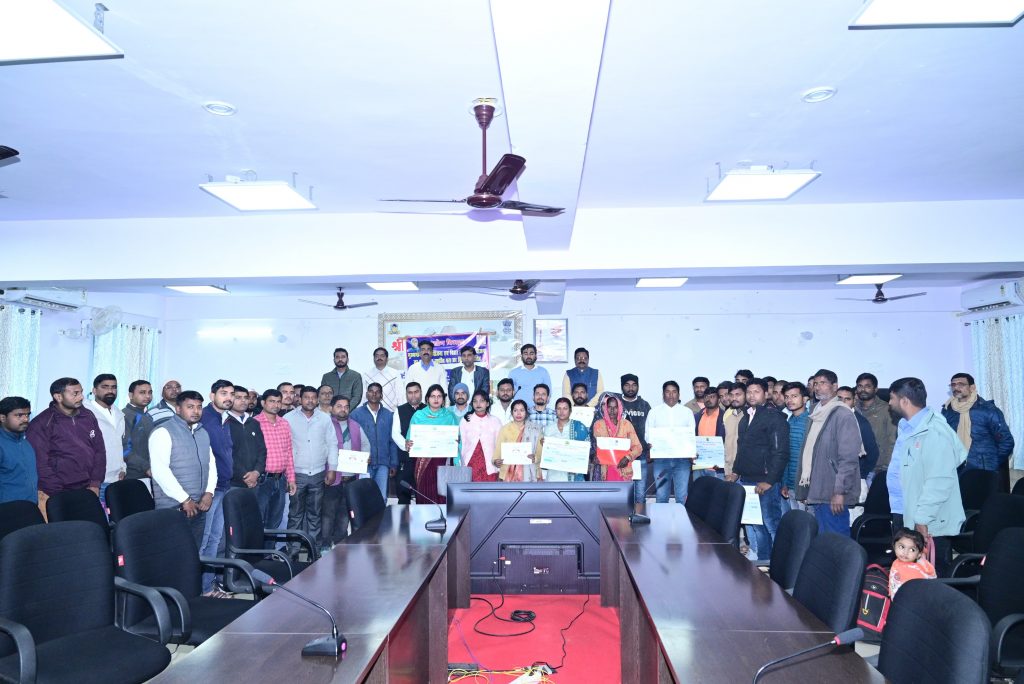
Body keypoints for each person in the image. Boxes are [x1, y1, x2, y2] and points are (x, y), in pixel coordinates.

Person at [887, 377, 966, 577]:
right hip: (905, 510)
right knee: (908, 575)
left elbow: (939, 481)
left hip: (926, 519)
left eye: (892, 398)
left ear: (904, 401)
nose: (889, 403)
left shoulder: (934, 432)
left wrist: (921, 519)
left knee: (931, 575)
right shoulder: (907, 427)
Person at [148, 390, 216, 549]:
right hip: (174, 509)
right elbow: (160, 472)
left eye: (199, 407)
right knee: (173, 554)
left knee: (194, 553)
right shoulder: (163, 432)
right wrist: (185, 499)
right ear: (178, 409)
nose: (196, 411)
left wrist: (209, 492)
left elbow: (211, 465)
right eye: (190, 407)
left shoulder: (202, 432)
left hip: (198, 506)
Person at [729, 379, 788, 560]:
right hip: (746, 479)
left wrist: (770, 481)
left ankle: (781, 564)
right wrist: (735, 471)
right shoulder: (745, 418)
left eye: (756, 391)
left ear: (766, 394)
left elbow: (780, 452)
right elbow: (741, 449)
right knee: (756, 525)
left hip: (765, 481)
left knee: (771, 524)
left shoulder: (774, 417)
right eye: (749, 392)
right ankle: (764, 562)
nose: (751, 395)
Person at [798, 371, 861, 535]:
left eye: (823, 383)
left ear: (835, 386)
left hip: (833, 490)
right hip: (817, 488)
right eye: (815, 384)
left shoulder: (843, 414)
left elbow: (848, 459)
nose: (818, 387)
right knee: (822, 541)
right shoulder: (815, 412)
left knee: (837, 540)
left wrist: (839, 492)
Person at [27, 378, 105, 511]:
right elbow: (40, 463)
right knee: (63, 525)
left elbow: (99, 451)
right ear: (58, 397)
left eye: (81, 392)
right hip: (55, 493)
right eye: (75, 393)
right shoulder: (42, 423)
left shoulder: (88, 415)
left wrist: (95, 483)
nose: (81, 397)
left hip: (87, 489)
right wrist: (58, 493)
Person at [941, 373, 1015, 488]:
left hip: (983, 470)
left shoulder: (988, 410)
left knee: (981, 500)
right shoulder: (947, 411)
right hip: (956, 469)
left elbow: (1007, 442)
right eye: (953, 385)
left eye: (961, 384)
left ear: (972, 387)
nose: (956, 387)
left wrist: (992, 463)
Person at [198, 379, 236, 595]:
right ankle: (201, 589)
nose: (228, 397)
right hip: (209, 490)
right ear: (212, 396)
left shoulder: (225, 419)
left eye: (231, 393)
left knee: (215, 539)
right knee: (204, 540)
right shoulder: (203, 418)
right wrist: (207, 489)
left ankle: (208, 585)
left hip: (224, 486)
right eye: (223, 393)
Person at [323, 396, 370, 548]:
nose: (343, 409)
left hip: (350, 479)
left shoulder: (355, 426)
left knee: (344, 516)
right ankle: (324, 546)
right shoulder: (325, 425)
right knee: (327, 515)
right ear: (331, 408)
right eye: (339, 406)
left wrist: (366, 457)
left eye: (346, 406)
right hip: (331, 478)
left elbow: (365, 445)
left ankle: (340, 546)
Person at [646, 381, 697, 504]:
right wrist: (651, 444)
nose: (671, 395)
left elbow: (691, 435)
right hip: (661, 460)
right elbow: (648, 434)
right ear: (663, 394)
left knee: (682, 496)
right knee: (661, 495)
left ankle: (682, 517)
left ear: (679, 394)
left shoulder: (687, 412)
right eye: (667, 392)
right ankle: (661, 517)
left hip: (682, 460)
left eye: (674, 392)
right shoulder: (654, 412)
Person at [253, 389, 296, 533]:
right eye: (272, 401)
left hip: (281, 480)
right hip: (262, 480)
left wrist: (291, 479)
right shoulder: (254, 423)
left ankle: (270, 549)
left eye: (278, 402)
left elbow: (288, 452)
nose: (276, 405)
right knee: (257, 520)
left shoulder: (284, 423)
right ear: (263, 403)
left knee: (275, 521)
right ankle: (256, 548)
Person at [406, 384, 459, 501]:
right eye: (433, 396)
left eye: (439, 396)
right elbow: (409, 438)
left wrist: (456, 441)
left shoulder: (450, 416)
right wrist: (408, 444)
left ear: (443, 399)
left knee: (441, 494)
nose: (436, 399)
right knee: (424, 493)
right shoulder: (418, 415)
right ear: (427, 399)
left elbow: (457, 438)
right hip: (422, 462)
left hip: (442, 462)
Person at [83, 373, 126, 504]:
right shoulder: (85, 414)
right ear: (94, 390)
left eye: (114, 387)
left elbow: (119, 444)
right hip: (94, 482)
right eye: (105, 387)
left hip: (116, 479)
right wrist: (91, 481)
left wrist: (123, 468)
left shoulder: (119, 414)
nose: (110, 391)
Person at [351, 382, 398, 499]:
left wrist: (394, 463)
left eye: (377, 392)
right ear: (367, 394)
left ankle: (381, 512)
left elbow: (392, 441)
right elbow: (352, 440)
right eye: (371, 391)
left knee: (381, 497)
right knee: (364, 498)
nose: (374, 394)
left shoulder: (388, 415)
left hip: (383, 464)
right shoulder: (356, 414)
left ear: (381, 396)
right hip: (364, 464)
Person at [592, 393, 642, 482]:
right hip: (604, 471)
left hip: (624, 471)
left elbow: (638, 448)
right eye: (609, 407)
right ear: (605, 408)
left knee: (623, 491)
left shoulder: (626, 424)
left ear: (619, 408)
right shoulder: (598, 425)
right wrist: (595, 455)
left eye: (615, 407)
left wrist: (628, 458)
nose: (612, 410)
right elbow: (595, 447)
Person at [855, 373, 897, 481]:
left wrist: (885, 468)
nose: (863, 390)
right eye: (860, 386)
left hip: (876, 469)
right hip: (855, 467)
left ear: (876, 389)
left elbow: (892, 441)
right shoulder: (852, 409)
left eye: (867, 386)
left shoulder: (887, 410)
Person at [226, 385, 267, 494]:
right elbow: (226, 454)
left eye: (246, 397)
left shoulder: (254, 423)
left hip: (255, 481)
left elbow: (262, 450)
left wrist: (256, 472)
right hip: (232, 483)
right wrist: (245, 477)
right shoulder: (224, 423)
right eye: (238, 397)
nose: (243, 401)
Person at [538, 397, 590, 482]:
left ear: (570, 411)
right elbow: (545, 455)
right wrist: (543, 446)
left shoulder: (579, 427)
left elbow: (586, 452)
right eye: (559, 408)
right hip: (553, 477)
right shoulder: (548, 428)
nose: (562, 412)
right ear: (555, 410)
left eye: (565, 408)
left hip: (573, 478)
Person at [837, 385, 880, 484]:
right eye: (839, 398)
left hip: (853, 478)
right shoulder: (827, 418)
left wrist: (861, 475)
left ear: (854, 402)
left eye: (847, 399)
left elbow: (872, 453)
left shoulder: (861, 423)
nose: (842, 402)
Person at [620, 374, 652, 503]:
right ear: (622, 387)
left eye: (634, 385)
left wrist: (650, 450)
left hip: (641, 456)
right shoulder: (617, 405)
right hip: (621, 456)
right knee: (622, 494)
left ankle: (639, 515)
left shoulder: (644, 405)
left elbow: (651, 429)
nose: (630, 388)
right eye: (627, 385)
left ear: (638, 387)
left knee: (640, 493)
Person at [392, 382, 425, 503]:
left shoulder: (428, 409)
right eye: (410, 393)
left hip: (424, 459)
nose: (413, 395)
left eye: (416, 392)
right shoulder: (399, 410)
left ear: (421, 393)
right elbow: (395, 433)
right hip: (405, 458)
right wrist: (405, 445)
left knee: (423, 494)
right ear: (406, 394)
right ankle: (404, 516)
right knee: (403, 495)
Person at [495, 399, 543, 482]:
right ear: (511, 413)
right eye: (515, 410)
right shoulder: (505, 429)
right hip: (508, 474)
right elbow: (498, 451)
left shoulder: (536, 429)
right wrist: (496, 461)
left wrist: (535, 458)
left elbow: (540, 451)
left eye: (522, 410)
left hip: (530, 472)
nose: (518, 413)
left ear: (526, 413)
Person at [0, 396, 37, 504]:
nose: (25, 419)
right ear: (2, 418)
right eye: (19, 415)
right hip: (7, 509)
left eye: (27, 415)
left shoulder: (25, 442)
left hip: (29, 506)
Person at [459, 390, 502, 482]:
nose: (478, 404)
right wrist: (460, 463)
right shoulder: (465, 420)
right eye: (475, 401)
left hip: (490, 465)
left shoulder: (496, 421)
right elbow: (462, 444)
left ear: (487, 403)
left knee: (488, 490)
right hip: (470, 464)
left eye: (481, 401)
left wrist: (498, 462)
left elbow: (499, 445)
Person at [780, 382, 810, 511]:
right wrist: (785, 483)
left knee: (807, 521)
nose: (789, 400)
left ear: (805, 399)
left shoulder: (811, 421)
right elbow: (786, 455)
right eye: (787, 397)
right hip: (791, 484)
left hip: (805, 485)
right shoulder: (789, 420)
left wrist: (808, 488)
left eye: (794, 396)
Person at [888, 527, 937, 597]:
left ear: (919, 554)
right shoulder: (897, 562)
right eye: (902, 547)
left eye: (912, 550)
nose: (905, 552)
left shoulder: (916, 571)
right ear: (894, 546)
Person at [122, 380, 155, 481]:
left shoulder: (147, 415)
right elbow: (124, 449)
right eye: (142, 392)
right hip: (133, 475)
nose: (147, 396)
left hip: (148, 473)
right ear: (131, 395)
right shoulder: (125, 416)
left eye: (150, 392)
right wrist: (146, 467)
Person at [694, 387, 726, 479]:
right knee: (698, 488)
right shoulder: (697, 417)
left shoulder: (725, 417)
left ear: (718, 400)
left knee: (718, 489)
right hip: (699, 465)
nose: (708, 399)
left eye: (712, 397)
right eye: (706, 397)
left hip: (717, 467)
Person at [363, 346, 403, 412]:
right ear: (373, 358)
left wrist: (401, 412)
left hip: (391, 412)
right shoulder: (366, 375)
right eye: (377, 356)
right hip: (371, 412)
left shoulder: (395, 374)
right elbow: (364, 396)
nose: (379, 358)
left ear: (387, 359)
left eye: (382, 356)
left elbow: (400, 395)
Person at [722, 382, 745, 478]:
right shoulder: (728, 417)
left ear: (746, 395)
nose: (734, 398)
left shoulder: (750, 417)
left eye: (738, 394)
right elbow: (727, 445)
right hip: (728, 472)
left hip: (744, 473)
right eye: (731, 395)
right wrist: (727, 471)